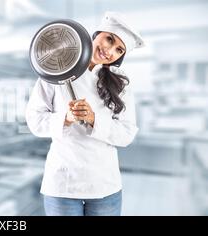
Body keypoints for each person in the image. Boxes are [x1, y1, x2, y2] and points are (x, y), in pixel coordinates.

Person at [25, 12, 145, 216]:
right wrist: (65, 118)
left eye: (119, 50)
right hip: (63, 183)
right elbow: (34, 120)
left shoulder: (121, 82)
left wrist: (93, 119)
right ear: (96, 34)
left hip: (104, 184)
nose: (109, 50)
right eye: (109, 39)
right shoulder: (56, 69)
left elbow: (126, 134)